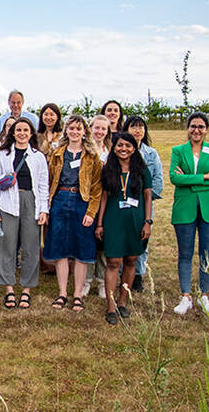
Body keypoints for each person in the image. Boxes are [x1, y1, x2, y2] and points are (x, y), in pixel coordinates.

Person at [44, 115, 102, 312]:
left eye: (79, 129)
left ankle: (77, 294)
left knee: (81, 250)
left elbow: (96, 188)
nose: (75, 132)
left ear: (85, 131)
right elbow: (50, 180)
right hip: (60, 200)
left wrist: (91, 212)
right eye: (71, 128)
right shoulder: (58, 154)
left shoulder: (92, 156)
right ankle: (62, 293)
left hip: (81, 201)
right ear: (66, 131)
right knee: (60, 249)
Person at [0, 118, 49, 309]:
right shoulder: (2, 154)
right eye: (18, 130)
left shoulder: (38, 156)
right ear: (12, 133)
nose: (22, 133)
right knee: (6, 245)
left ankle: (26, 290)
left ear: (31, 133)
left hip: (30, 201)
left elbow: (42, 185)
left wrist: (43, 210)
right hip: (7, 202)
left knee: (31, 246)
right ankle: (9, 289)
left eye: (26, 130)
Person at [170, 112, 209, 315]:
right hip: (185, 208)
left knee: (207, 254)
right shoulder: (179, 150)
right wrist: (204, 177)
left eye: (201, 126)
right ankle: (185, 296)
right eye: (193, 126)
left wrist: (190, 180)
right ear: (188, 128)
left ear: (207, 129)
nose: (197, 130)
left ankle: (205, 295)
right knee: (185, 253)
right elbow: (175, 178)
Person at [95, 133, 153, 324]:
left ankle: (122, 302)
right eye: (120, 145)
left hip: (135, 220)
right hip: (114, 219)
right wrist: (100, 223)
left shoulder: (143, 171)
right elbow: (103, 198)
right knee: (113, 261)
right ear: (114, 147)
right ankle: (111, 306)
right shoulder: (108, 170)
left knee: (131, 259)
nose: (123, 149)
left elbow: (147, 197)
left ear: (134, 148)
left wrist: (148, 222)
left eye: (128, 146)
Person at [124, 116, 164, 292]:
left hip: (143, 204)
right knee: (122, 237)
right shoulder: (120, 150)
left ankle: (138, 275)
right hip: (122, 203)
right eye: (133, 127)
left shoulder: (151, 154)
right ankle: (121, 273)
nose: (137, 130)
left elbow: (157, 181)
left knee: (141, 238)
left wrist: (145, 199)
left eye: (141, 127)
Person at [82, 114, 113, 297]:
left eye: (103, 128)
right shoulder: (85, 150)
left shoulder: (111, 150)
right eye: (97, 128)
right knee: (88, 242)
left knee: (103, 243)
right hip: (88, 200)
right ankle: (86, 280)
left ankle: (102, 281)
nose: (100, 131)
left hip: (107, 201)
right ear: (90, 129)